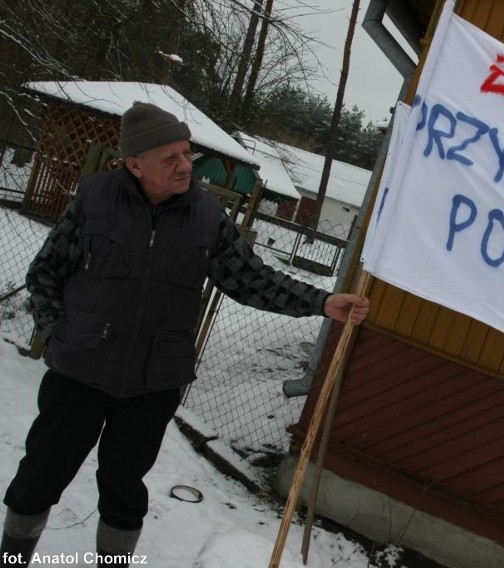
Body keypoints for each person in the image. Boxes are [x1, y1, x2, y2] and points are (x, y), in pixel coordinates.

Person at [0, 102, 369, 567]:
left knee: (124, 488)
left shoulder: (206, 217)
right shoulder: (94, 201)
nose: (183, 166)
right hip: (79, 372)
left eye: (185, 154)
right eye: (169, 158)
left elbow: (251, 279)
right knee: (39, 475)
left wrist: (321, 302)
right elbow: (45, 275)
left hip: (152, 384)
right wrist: (57, 335)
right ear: (135, 164)